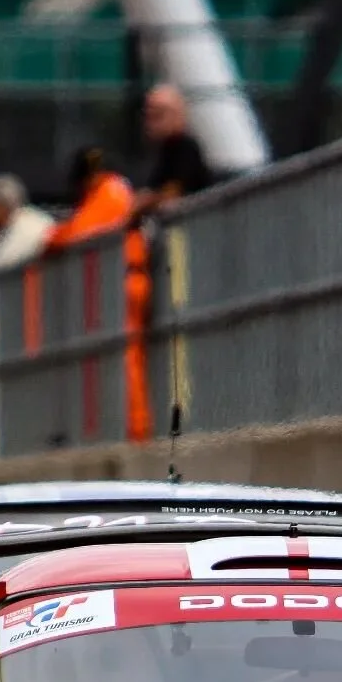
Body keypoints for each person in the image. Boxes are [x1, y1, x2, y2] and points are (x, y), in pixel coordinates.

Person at [49, 146, 152, 443]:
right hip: (122, 278)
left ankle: (136, 430)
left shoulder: (110, 192)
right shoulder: (116, 191)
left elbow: (82, 230)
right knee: (118, 357)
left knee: (125, 357)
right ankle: (126, 429)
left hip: (125, 279)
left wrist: (52, 237)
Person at [134, 83, 212, 217]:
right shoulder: (159, 150)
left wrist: (145, 201)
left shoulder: (185, 148)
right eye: (148, 114)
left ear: (177, 114)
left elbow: (174, 193)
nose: (150, 122)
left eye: (159, 114)